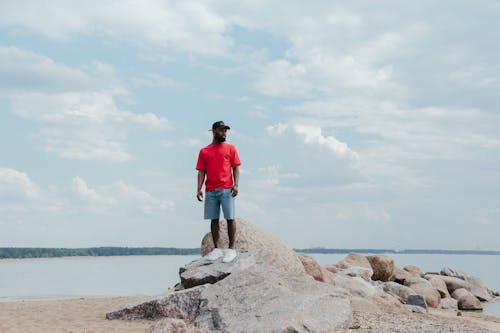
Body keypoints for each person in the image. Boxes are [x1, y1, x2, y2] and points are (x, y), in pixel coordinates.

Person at [196, 121, 241, 262]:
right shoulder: (204, 151)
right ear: (214, 131)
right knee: (213, 219)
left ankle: (231, 249)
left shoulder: (230, 148)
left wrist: (236, 185)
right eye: (222, 130)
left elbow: (236, 168)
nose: (225, 133)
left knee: (230, 218)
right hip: (210, 190)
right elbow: (201, 171)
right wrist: (198, 188)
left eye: (226, 131)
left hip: (227, 188)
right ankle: (217, 249)